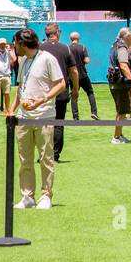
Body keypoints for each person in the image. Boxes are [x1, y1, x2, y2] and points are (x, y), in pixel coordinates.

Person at [11, 27, 66, 211]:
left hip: (44, 116)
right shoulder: (24, 61)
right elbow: (21, 88)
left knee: (46, 158)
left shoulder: (47, 59)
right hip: (24, 117)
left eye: (15, 43)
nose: (13, 47)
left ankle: (46, 195)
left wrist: (42, 99)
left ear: (22, 43)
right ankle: (27, 196)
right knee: (24, 159)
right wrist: (12, 110)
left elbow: (61, 84)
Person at [40, 22, 79, 162]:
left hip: (43, 93)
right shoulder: (65, 48)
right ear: (57, 33)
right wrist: (75, 88)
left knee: (43, 124)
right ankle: (54, 155)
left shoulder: (40, 48)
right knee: (58, 123)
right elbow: (73, 71)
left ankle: (44, 154)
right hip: (61, 92)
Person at [107, 28, 131, 144]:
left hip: (115, 81)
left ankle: (119, 134)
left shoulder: (114, 45)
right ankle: (116, 137)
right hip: (120, 82)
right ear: (127, 36)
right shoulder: (122, 47)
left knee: (121, 110)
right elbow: (123, 65)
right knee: (122, 111)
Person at [68, 31, 100, 119]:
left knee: (74, 94)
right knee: (90, 93)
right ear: (78, 38)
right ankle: (94, 112)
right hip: (83, 75)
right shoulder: (82, 47)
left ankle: (75, 116)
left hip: (72, 76)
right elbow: (87, 60)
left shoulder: (67, 48)